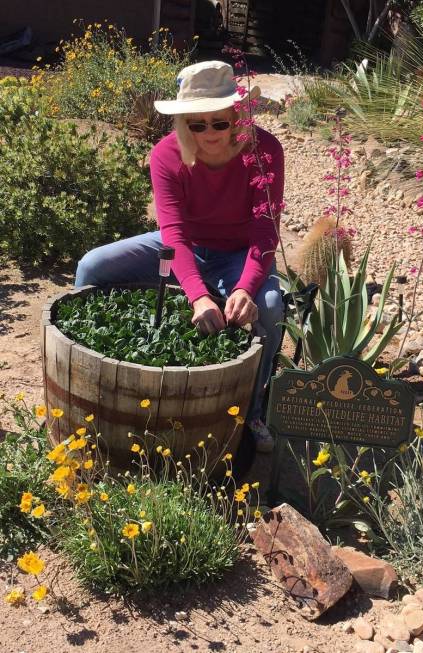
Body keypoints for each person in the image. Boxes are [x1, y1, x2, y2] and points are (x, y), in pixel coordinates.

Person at [75, 60, 285, 453]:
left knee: (270, 306)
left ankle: (254, 408)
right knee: (91, 266)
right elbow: (173, 235)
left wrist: (245, 286)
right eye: (196, 124)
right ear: (182, 124)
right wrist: (198, 294)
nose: (208, 134)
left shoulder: (265, 151)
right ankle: (91, 386)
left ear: (237, 115)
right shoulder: (166, 155)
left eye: (219, 123)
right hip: (181, 245)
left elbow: (265, 229)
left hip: (240, 252)